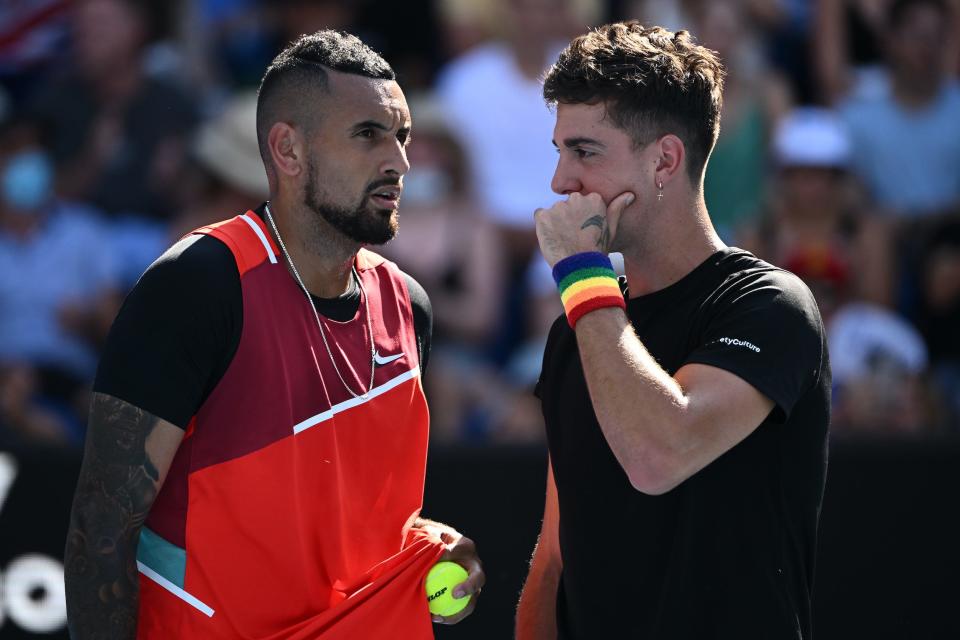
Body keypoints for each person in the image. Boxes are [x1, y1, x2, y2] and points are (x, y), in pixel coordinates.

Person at [64, 30, 484, 639]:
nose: (399, 161)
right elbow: (99, 532)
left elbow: (352, 521)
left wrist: (431, 548)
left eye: (403, 136)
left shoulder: (407, 304)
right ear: (287, 150)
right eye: (368, 134)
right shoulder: (195, 286)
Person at [516, 21, 830, 639]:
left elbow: (658, 454)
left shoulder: (770, 304)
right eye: (559, 151)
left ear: (665, 159)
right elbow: (555, 555)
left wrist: (581, 272)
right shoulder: (577, 326)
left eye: (585, 151)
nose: (560, 182)